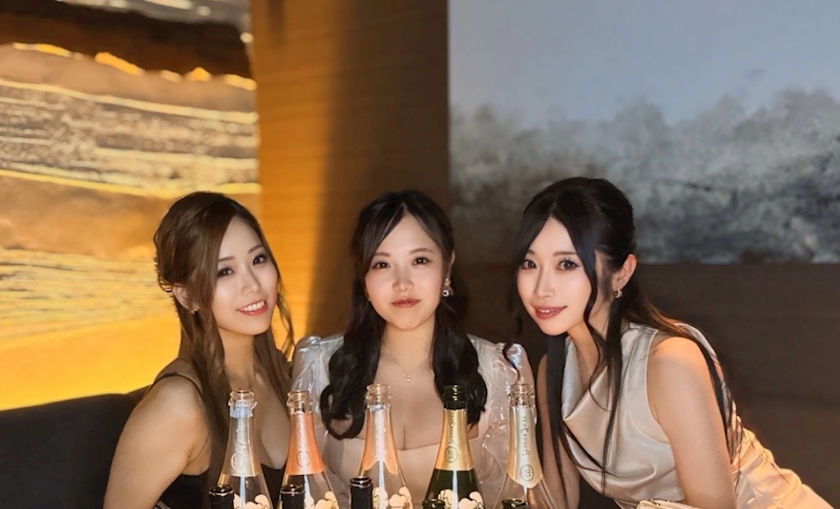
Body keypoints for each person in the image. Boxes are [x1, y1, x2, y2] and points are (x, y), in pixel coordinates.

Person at [513, 177, 829, 509]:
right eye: (530, 263)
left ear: (622, 273)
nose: (541, 288)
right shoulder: (555, 370)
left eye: (566, 264)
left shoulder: (669, 361)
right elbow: (554, 500)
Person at [292, 189, 533, 507]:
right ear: (364, 278)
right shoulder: (317, 366)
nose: (402, 283)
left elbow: (519, 496)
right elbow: (304, 492)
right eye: (382, 264)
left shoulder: (501, 372)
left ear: (447, 267)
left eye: (420, 260)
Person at [104, 192, 294, 509]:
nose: (252, 284)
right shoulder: (178, 406)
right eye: (224, 271)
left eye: (258, 260)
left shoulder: (277, 371)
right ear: (187, 296)